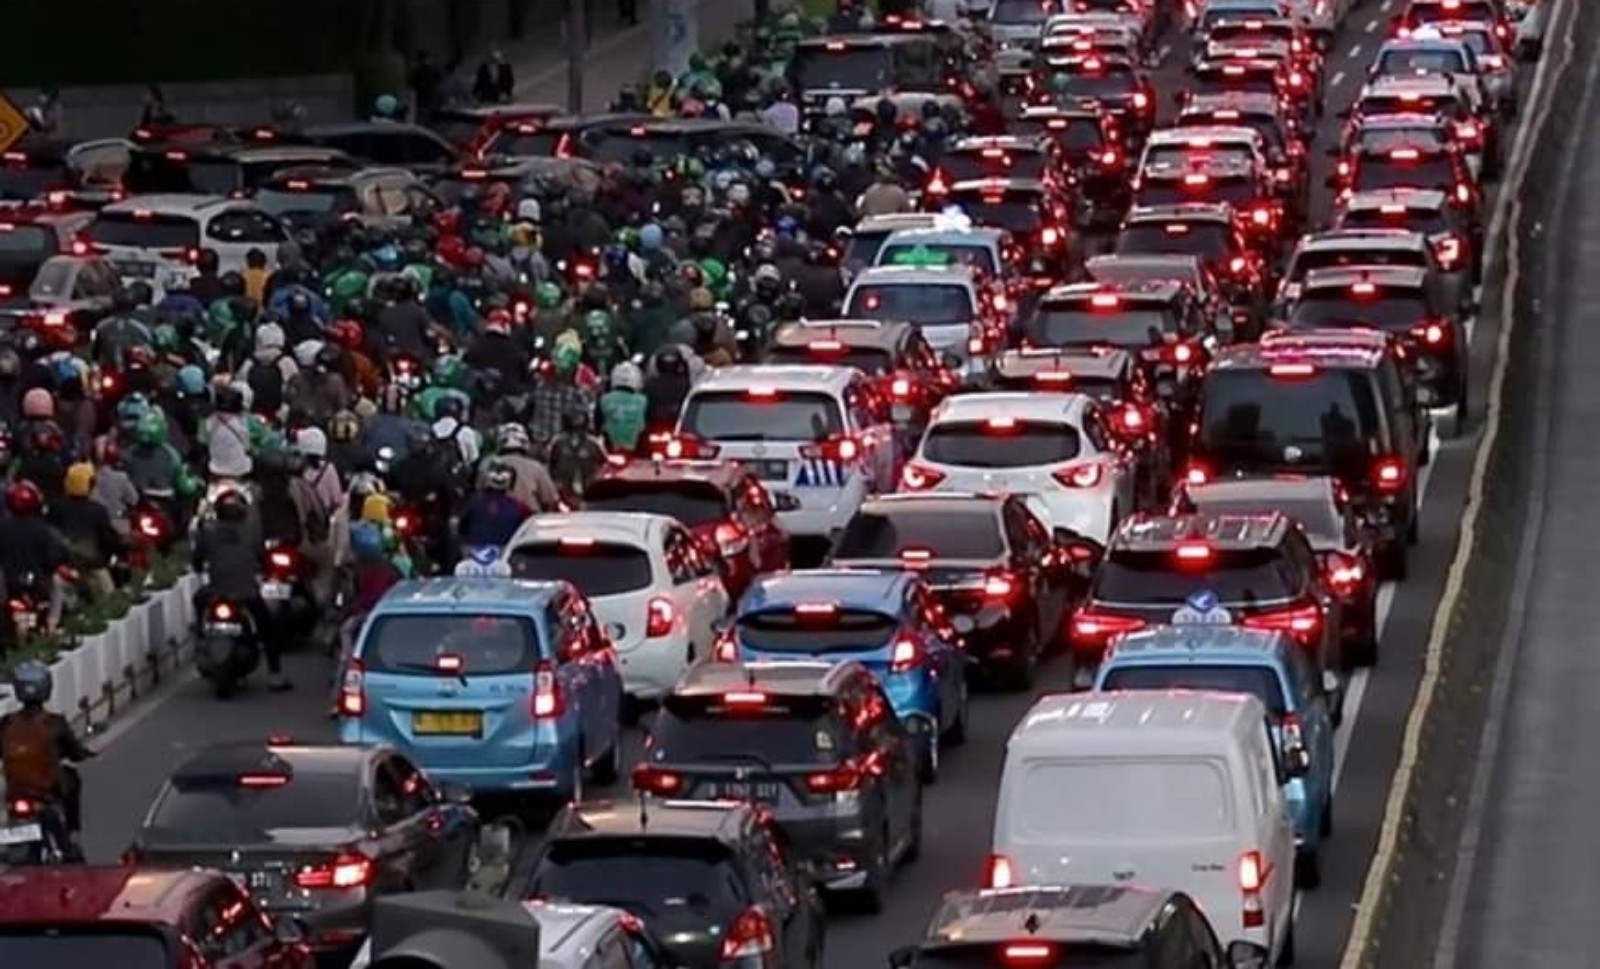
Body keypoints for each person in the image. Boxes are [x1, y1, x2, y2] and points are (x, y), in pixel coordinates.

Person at [192, 489, 287, 690]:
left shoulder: (208, 532)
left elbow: (197, 560)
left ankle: (201, 637)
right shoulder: (250, 532)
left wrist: (200, 566)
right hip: (246, 594)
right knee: (267, 628)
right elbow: (262, 558)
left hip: (217, 592)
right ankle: (275, 673)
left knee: (198, 602)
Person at [0, 662, 93, 859]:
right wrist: (84, 753)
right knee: (72, 778)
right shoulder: (54, 722)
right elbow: (75, 752)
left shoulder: (7, 723)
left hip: (15, 792)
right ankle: (72, 832)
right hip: (46, 791)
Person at [52, 463, 122, 600]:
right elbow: (109, 538)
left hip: (64, 567)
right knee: (110, 600)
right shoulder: (97, 510)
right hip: (93, 567)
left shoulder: (56, 508)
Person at [457, 462, 533, 549]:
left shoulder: (472, 502)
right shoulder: (519, 507)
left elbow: (461, 528)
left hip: (475, 550)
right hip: (505, 551)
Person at [599, 360, 649, 453]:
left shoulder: (604, 399)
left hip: (611, 450)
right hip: (637, 451)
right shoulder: (643, 400)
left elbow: (598, 423)